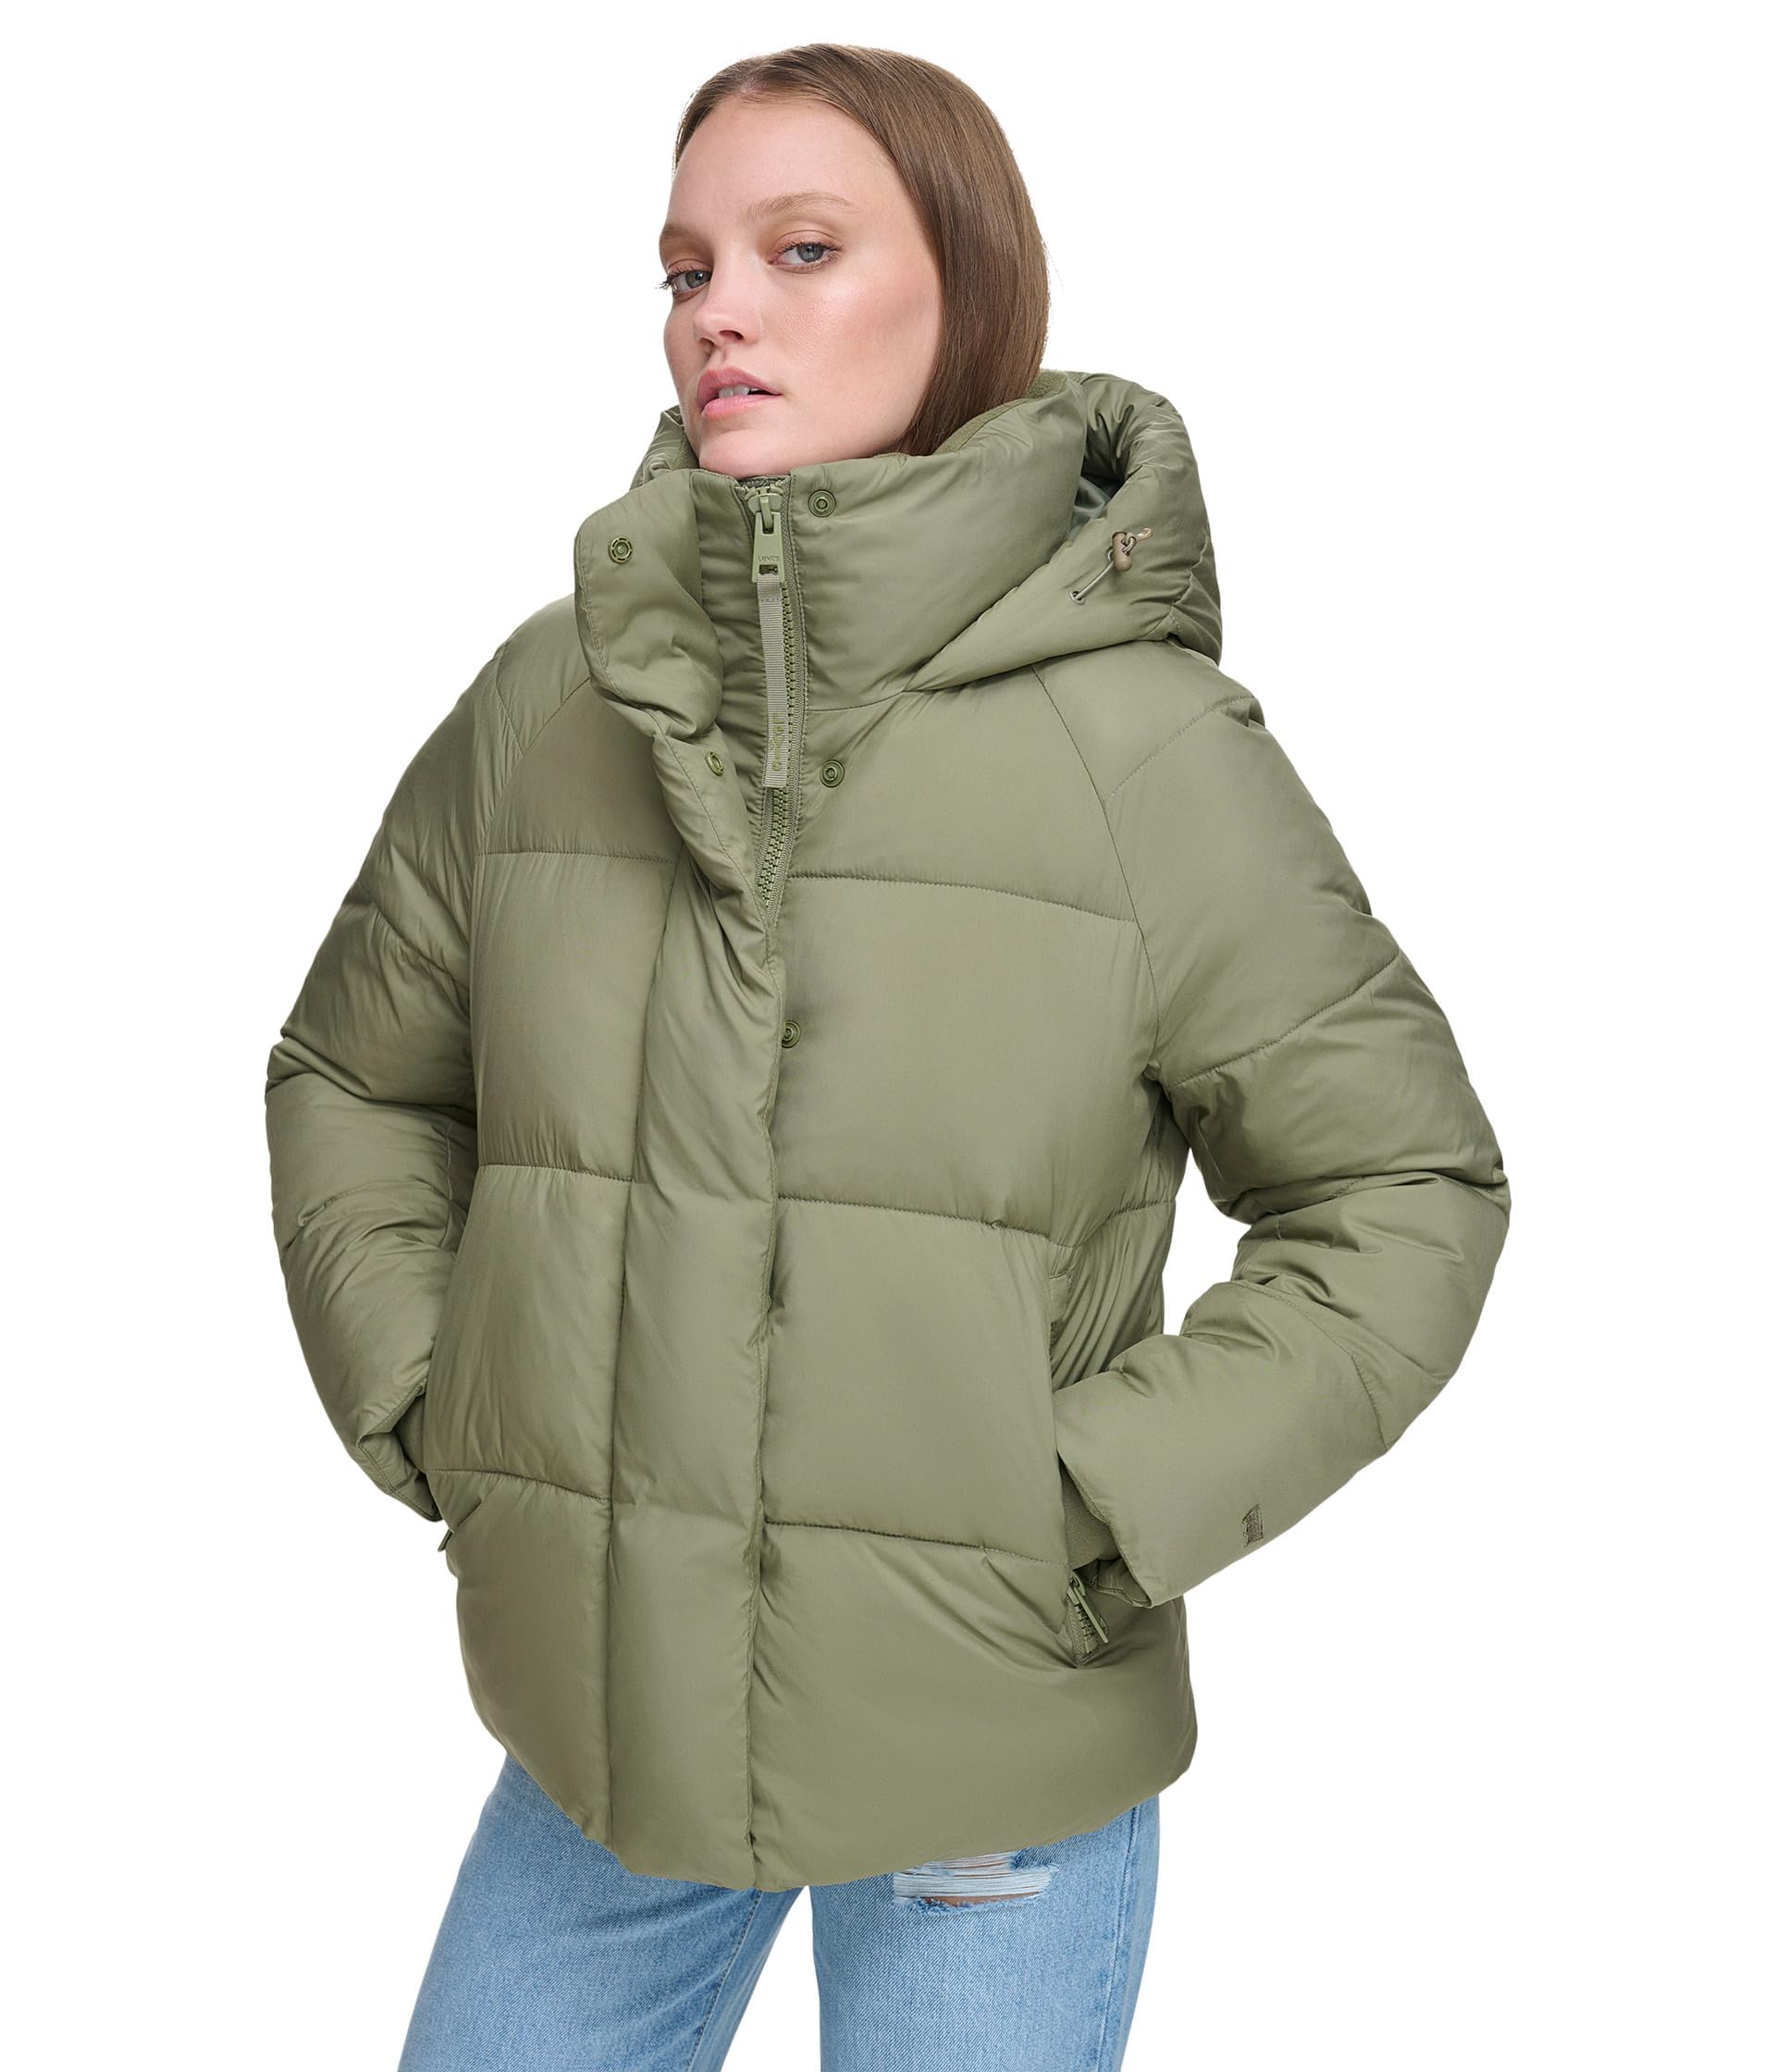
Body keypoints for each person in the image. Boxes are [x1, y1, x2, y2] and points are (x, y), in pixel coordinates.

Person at [263, 42, 1511, 2072]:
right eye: (685, 268)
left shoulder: (1142, 755)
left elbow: (1403, 1189)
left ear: (970, 289)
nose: (718, 313)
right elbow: (358, 1074)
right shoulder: (551, 706)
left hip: (983, 1749)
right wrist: (436, 1396)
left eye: (802, 249)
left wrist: (1082, 1499)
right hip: (612, 1722)